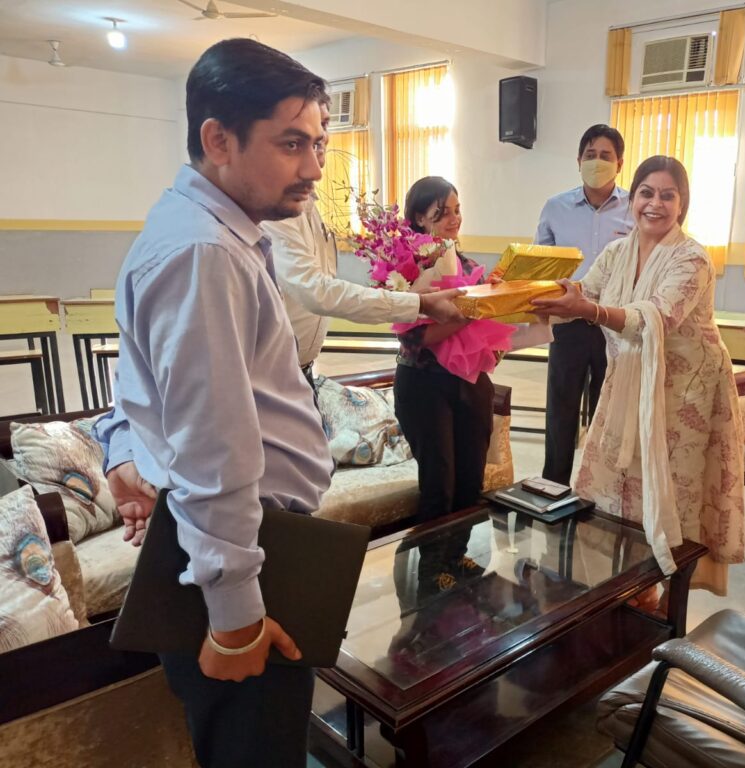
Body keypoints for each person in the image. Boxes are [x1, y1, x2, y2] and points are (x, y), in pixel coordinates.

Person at [92, 39, 337, 767]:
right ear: (218, 139)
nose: (314, 167)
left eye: (319, 143)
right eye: (291, 143)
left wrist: (127, 454)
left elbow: (141, 384)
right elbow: (213, 450)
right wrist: (235, 618)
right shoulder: (205, 253)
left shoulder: (201, 231)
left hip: (236, 548)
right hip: (235, 566)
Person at [532, 156, 744, 594]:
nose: (655, 204)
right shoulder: (617, 252)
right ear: (633, 200)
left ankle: (668, 596)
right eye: (646, 193)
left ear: (682, 204)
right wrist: (525, 296)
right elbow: (583, 291)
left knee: (672, 492)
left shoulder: (693, 258)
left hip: (682, 395)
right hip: (627, 381)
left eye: (668, 195)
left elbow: (655, 320)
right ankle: (626, 587)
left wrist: (586, 309)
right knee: (611, 481)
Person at [262, 103, 464, 383]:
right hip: (277, 374)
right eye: (298, 144)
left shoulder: (308, 205)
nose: (316, 164)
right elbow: (315, 290)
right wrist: (418, 303)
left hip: (301, 368)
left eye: (320, 142)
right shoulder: (275, 214)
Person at [535, 124, 633, 485]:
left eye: (605, 156)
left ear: (619, 163)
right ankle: (553, 486)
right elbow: (540, 266)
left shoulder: (635, 209)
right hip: (568, 324)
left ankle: (600, 487)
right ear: (578, 160)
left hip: (614, 324)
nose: (597, 162)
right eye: (590, 155)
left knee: (607, 412)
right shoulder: (555, 207)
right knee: (561, 409)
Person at [393, 177, 493, 531]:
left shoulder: (467, 265)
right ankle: (435, 565)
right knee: (439, 487)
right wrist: (468, 314)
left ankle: (460, 560)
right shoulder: (405, 270)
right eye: (443, 212)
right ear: (420, 218)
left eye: (457, 210)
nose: (454, 219)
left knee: (471, 484)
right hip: (424, 385)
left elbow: (485, 329)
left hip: (471, 383)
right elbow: (416, 339)